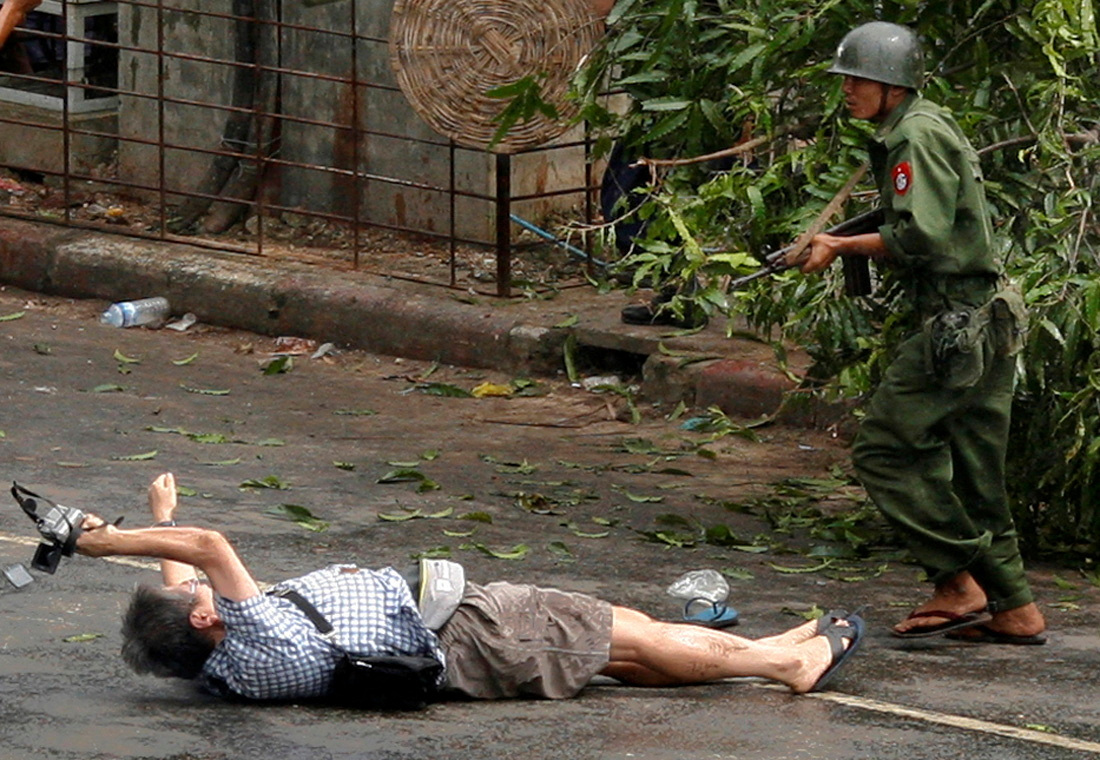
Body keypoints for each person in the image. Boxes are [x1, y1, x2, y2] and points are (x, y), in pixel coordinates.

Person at [70, 472, 864, 704]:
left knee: (611, 648)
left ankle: (763, 647)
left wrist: (157, 517)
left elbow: (187, 577)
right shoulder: (252, 630)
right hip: (473, 629)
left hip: (458, 657)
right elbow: (209, 551)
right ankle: (780, 665)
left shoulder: (223, 668)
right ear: (209, 616)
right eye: (191, 598)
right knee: (628, 632)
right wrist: (101, 541)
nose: (187, 588)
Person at [797, 22, 1045, 644]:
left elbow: (921, 236)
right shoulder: (925, 124)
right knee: (974, 471)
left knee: (882, 449)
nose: (848, 90)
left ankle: (957, 581)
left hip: (957, 324)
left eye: (859, 79)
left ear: (892, 85)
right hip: (984, 320)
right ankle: (1015, 608)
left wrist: (841, 244)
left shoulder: (914, 135)